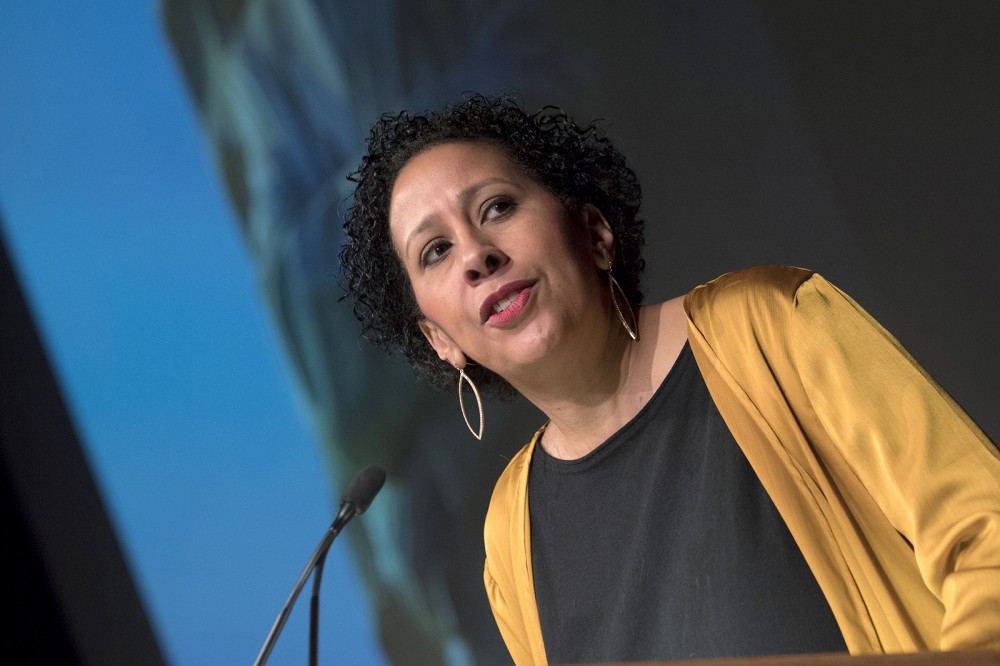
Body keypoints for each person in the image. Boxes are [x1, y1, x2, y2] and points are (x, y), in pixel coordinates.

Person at [339, 94, 1000, 664]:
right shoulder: (508, 535)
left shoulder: (771, 325)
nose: (476, 256)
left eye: (497, 207)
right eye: (436, 251)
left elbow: (986, 537)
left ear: (593, 232)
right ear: (442, 341)